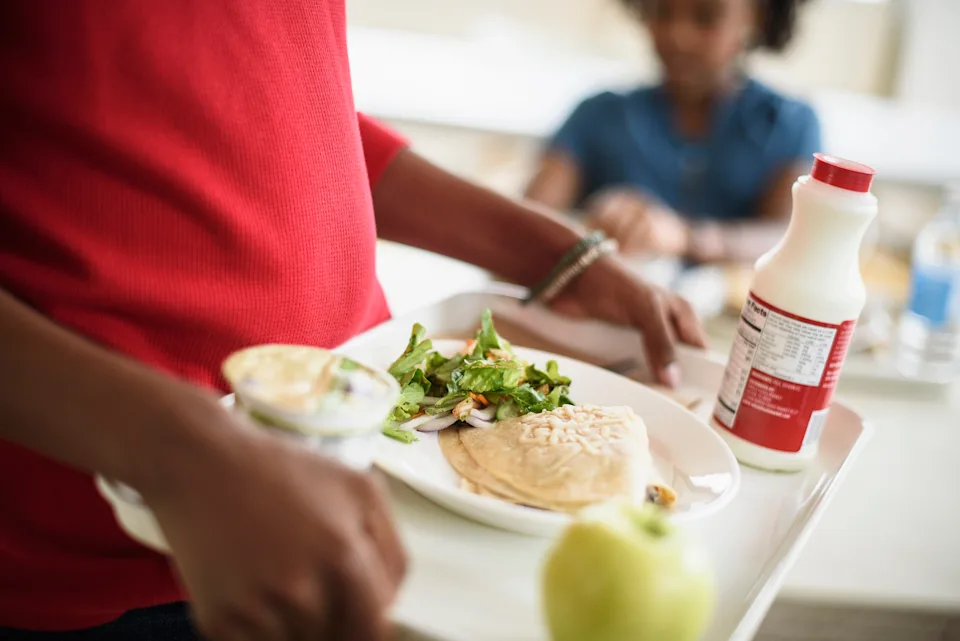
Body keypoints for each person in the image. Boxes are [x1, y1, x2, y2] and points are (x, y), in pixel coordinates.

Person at [0, 2, 706, 640]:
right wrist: (177, 449)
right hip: (113, 547)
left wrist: (556, 252)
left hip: (371, 476)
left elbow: (292, 118)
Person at [525, 0, 821, 264]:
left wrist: (685, 237)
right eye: (662, 11)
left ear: (757, 17)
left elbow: (791, 239)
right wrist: (588, 221)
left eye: (707, 16)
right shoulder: (598, 115)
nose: (678, 36)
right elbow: (527, 220)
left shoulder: (789, 124)